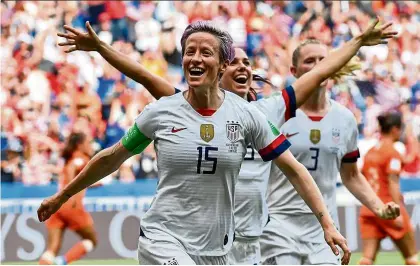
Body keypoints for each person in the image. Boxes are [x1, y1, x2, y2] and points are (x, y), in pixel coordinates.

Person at [55, 17, 398, 265]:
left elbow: (320, 73)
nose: (242, 67)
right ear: (221, 70)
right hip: (201, 237)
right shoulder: (179, 105)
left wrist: (357, 43)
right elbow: (142, 75)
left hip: (250, 242)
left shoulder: (266, 112)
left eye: (248, 63)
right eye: (234, 61)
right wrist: (100, 48)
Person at [259, 38, 400, 265]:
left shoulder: (345, 119)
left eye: (323, 60)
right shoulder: (277, 114)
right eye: (309, 61)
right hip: (279, 227)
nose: (318, 66)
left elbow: (351, 175)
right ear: (294, 71)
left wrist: (379, 208)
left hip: (325, 231)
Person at [358, 112, 418, 265]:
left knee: (367, 259)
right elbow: (393, 183)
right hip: (389, 208)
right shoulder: (392, 152)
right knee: (412, 258)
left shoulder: (371, 152)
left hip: (369, 209)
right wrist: (398, 213)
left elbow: (361, 178)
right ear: (395, 130)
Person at [38, 132, 97, 265]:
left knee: (52, 249)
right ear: (80, 145)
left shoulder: (69, 159)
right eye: (89, 142)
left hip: (56, 206)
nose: (91, 146)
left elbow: (79, 179)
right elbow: (74, 169)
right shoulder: (80, 158)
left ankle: (52, 262)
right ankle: (62, 262)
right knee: (91, 240)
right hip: (71, 206)